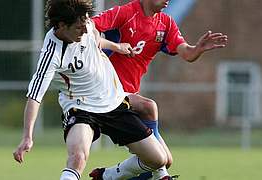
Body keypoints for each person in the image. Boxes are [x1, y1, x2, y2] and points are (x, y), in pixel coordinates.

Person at [13, 0, 169, 179]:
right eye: (79, 27)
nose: (86, 30)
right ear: (62, 25)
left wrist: (117, 47)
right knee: (77, 158)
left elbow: (95, 40)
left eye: (85, 23)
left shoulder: (84, 24)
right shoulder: (52, 54)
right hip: (82, 109)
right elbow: (34, 96)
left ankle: (108, 176)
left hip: (114, 102)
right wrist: (27, 136)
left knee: (158, 160)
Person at [91, 0, 228, 179]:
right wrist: (113, 46)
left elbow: (186, 53)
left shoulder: (166, 23)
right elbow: (90, 27)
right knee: (149, 107)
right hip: (105, 91)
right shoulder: (125, 13)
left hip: (128, 96)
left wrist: (197, 49)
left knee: (165, 160)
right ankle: (157, 175)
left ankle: (107, 176)